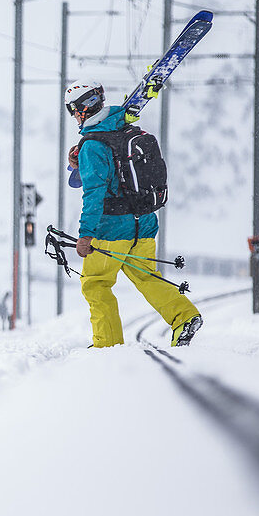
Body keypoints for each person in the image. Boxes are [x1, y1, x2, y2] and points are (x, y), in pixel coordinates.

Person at [65, 80, 202, 348]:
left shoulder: (92, 145)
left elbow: (94, 194)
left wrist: (85, 235)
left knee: (96, 283)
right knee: (146, 276)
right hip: (145, 224)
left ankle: (108, 344)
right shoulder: (126, 129)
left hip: (111, 231)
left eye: (73, 110)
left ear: (81, 110)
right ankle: (184, 317)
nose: (74, 116)